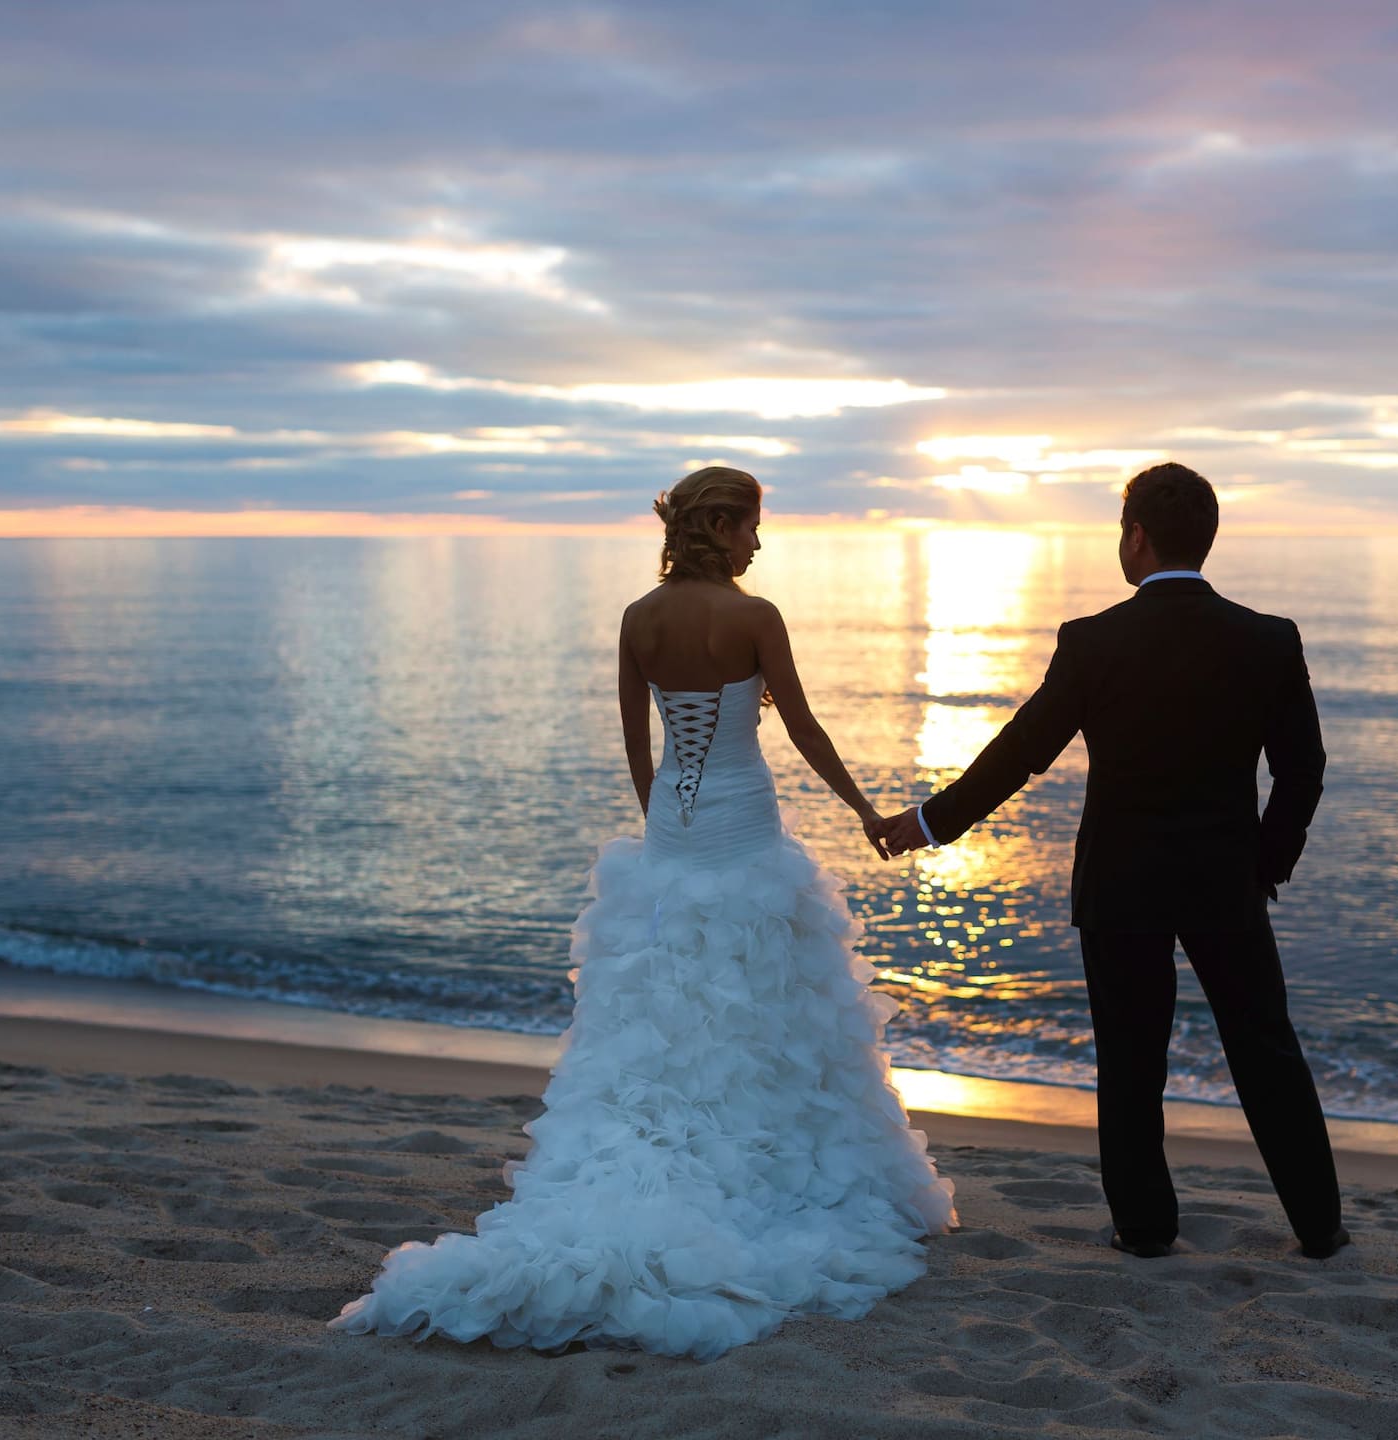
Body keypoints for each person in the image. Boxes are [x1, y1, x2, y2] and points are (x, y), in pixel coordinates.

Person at [331, 466, 956, 1359]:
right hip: (742, 822)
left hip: (673, 824)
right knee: (762, 990)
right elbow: (805, 729)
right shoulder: (755, 617)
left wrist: (663, 819)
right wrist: (863, 811)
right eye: (749, 527)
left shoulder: (639, 617)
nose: (757, 543)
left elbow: (639, 739)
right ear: (721, 525)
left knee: (667, 995)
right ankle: (760, 1153)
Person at [879, 462, 1347, 1261]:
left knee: (1131, 1058)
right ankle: (1318, 1226)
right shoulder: (1268, 639)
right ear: (1205, 538)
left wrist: (931, 822)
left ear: (1135, 537)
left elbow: (1021, 754)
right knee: (1264, 1047)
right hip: (1224, 879)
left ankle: (1144, 1227)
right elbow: (1303, 769)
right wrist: (1264, 862)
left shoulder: (1094, 641)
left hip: (1120, 881)